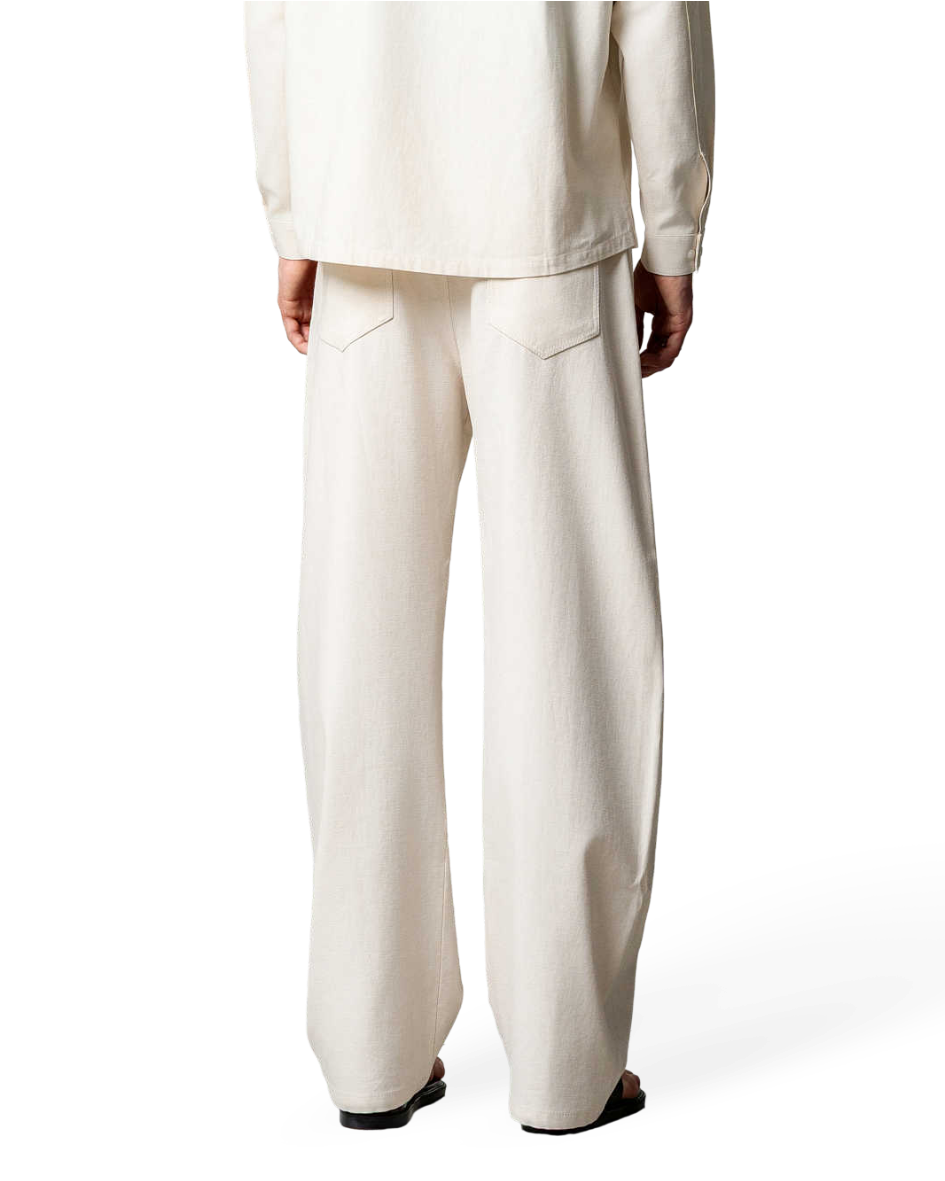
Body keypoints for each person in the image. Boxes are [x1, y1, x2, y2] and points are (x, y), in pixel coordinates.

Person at [243, 0, 715, 1133]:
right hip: (547, 210)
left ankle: (371, 1056)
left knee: (359, 655)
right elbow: (659, 18)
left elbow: (272, 14)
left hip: (362, 212)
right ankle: (563, 1066)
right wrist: (672, 231)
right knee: (570, 662)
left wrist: (294, 209)